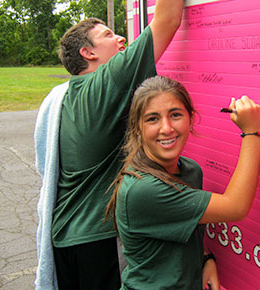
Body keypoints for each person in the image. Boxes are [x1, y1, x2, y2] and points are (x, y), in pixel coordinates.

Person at [34, 1, 186, 289]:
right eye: (107, 35)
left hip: (64, 241)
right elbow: (168, 19)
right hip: (98, 242)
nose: (120, 39)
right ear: (87, 53)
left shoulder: (66, 97)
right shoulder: (105, 84)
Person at [105, 75, 260, 289]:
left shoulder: (189, 170)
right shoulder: (144, 188)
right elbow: (236, 207)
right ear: (137, 128)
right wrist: (252, 132)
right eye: (152, 119)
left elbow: (181, 229)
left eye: (175, 115)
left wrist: (205, 259)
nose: (167, 128)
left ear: (190, 118)